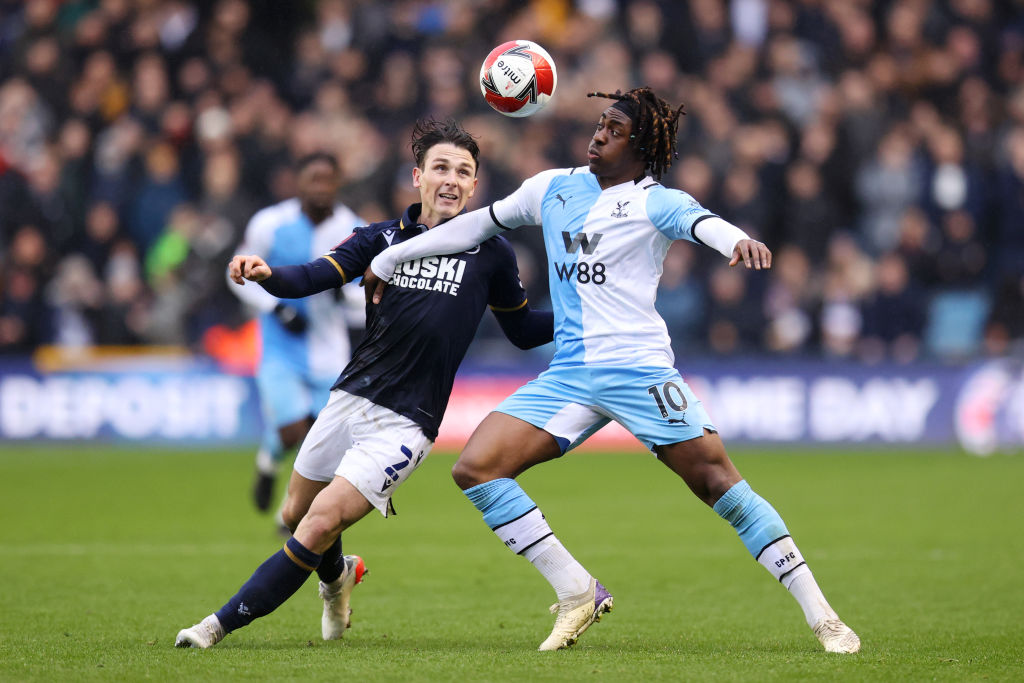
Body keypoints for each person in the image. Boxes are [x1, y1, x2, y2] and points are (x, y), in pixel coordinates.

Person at [365, 87, 861, 653]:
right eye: (600, 124)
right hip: (571, 374)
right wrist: (390, 255)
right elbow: (476, 226)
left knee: (719, 482)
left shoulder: (657, 202)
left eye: (614, 130)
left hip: (638, 371)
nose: (598, 134)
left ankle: (823, 616)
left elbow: (706, 224)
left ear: (642, 146)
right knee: (476, 467)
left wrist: (740, 241)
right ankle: (577, 591)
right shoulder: (551, 188)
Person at [175, 118, 553, 649]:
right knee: (296, 514)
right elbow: (315, 274)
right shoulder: (380, 239)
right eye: (441, 167)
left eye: (463, 172)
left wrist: (586, 312)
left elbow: (523, 330)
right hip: (349, 399)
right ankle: (339, 578)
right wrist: (267, 274)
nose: (451, 179)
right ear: (417, 175)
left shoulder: (491, 254)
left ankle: (214, 627)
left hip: (406, 423)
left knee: (317, 521)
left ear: (474, 186)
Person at [227, 152, 363, 514]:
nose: (319, 186)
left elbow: (371, 296)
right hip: (279, 346)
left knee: (327, 441)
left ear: (337, 184)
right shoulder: (269, 224)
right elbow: (238, 276)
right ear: (298, 183)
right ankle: (268, 465)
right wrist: (276, 307)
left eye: (327, 179)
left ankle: (292, 512)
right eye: (312, 178)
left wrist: (345, 296)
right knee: (292, 431)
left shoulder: (355, 230)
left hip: (329, 349)